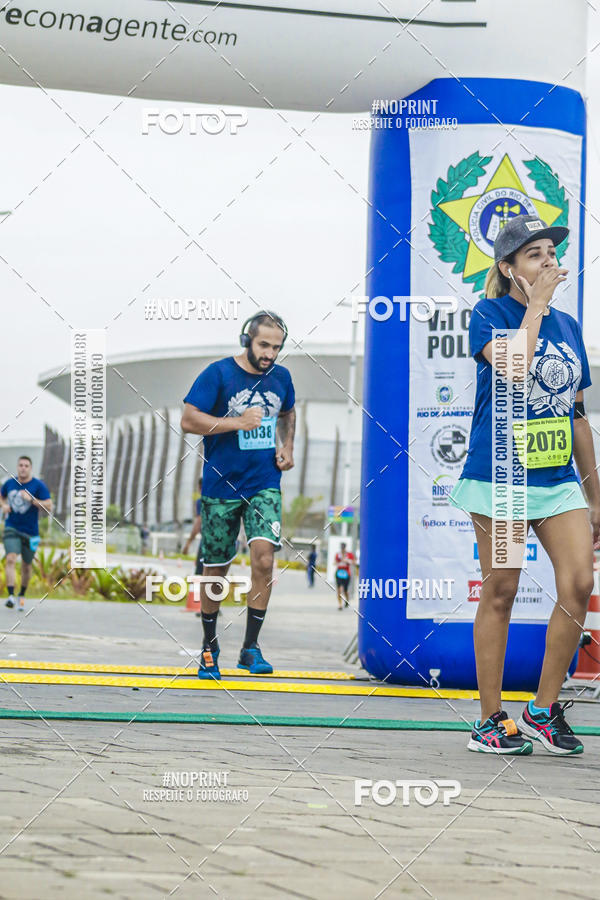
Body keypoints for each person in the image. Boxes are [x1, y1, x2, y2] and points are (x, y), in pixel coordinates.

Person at [449, 214, 600, 756]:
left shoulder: (570, 326)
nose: (548, 262)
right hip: (504, 480)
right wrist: (534, 306)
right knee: (503, 588)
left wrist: (595, 493)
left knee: (578, 585)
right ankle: (490, 720)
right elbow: (514, 367)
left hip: (558, 480)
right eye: (534, 255)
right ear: (508, 268)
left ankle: (541, 709)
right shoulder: (489, 314)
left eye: (550, 253)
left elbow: (577, 415)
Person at [181, 310, 296, 679]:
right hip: (221, 486)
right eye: (264, 345)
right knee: (216, 568)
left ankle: (250, 648)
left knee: (264, 561)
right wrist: (237, 423)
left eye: (276, 347)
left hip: (264, 482)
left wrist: (287, 446)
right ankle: (209, 646)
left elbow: (289, 412)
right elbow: (188, 419)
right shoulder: (218, 374)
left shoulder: (281, 377)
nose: (270, 354)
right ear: (247, 338)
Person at [1, 456, 52, 610]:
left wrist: (32, 499)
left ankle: (21, 594)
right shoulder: (9, 483)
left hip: (31, 532)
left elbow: (49, 506)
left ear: (31, 468)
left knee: (26, 566)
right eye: (20, 465)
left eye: (26, 465)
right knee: (10, 558)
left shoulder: (38, 485)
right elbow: (1, 496)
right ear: (17, 467)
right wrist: (3, 505)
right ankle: (10, 595)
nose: (23, 468)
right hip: (12, 527)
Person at [182, 477, 204, 576]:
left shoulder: (201, 501)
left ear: (200, 488)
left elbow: (198, 523)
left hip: (207, 542)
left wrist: (188, 543)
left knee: (200, 575)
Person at [334, 542, 355, 610]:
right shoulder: (338, 554)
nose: (342, 549)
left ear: (345, 547)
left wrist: (347, 561)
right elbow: (334, 562)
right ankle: (340, 605)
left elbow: (354, 562)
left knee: (345, 590)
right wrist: (339, 561)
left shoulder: (349, 554)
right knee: (339, 589)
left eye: (343, 547)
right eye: (341, 547)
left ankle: (347, 600)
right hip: (339, 573)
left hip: (346, 573)